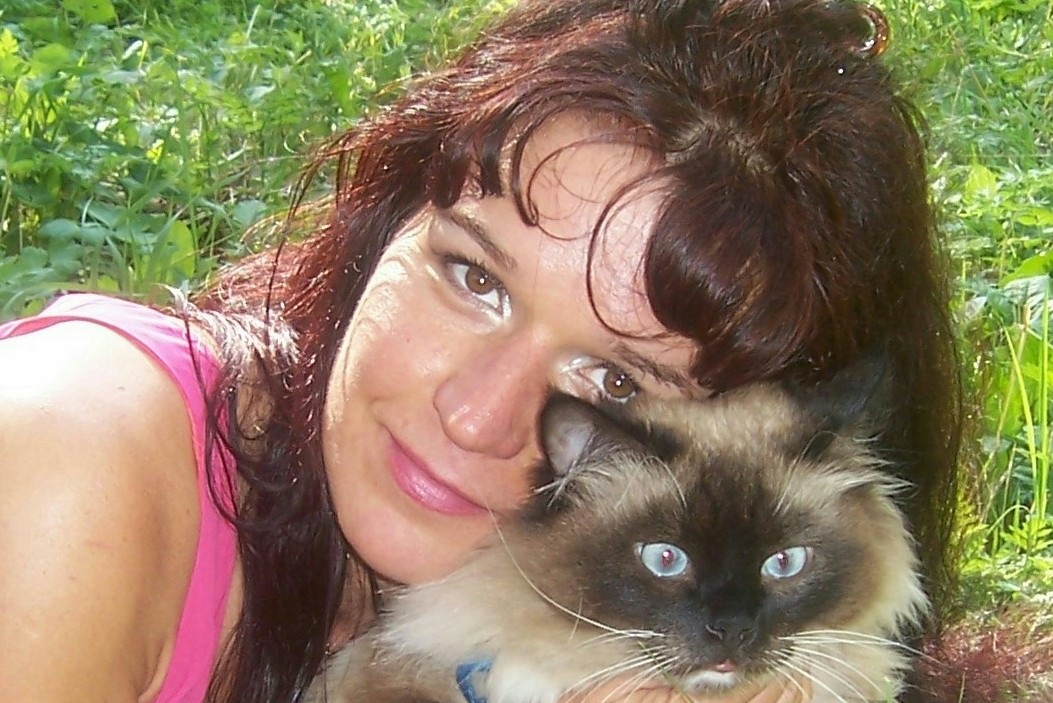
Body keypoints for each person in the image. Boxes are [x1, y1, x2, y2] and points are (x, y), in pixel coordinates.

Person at [0, 0, 962, 701]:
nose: (474, 415)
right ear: (388, 220)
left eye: (613, 379)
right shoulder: (71, 456)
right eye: (473, 278)